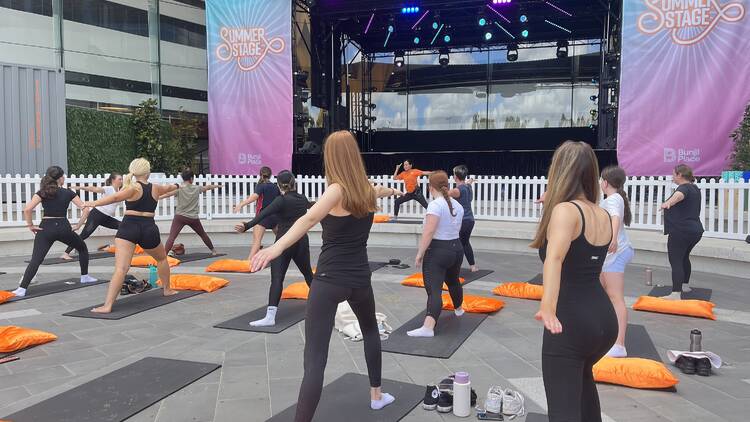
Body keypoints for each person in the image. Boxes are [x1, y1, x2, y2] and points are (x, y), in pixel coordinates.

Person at [251, 131, 403, 421]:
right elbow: (380, 191)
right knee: (370, 331)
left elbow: (307, 220)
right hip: (360, 280)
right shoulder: (366, 190)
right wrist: (393, 192)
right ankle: (376, 396)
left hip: (330, 280)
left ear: (331, 158)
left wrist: (275, 248)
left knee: (315, 360)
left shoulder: (336, 190)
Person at [530, 141, 617, 422]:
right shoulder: (600, 213)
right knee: (583, 388)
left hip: (571, 324)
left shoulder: (567, 211)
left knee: (563, 412)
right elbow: (586, 264)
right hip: (603, 320)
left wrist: (548, 307)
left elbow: (555, 260)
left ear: (560, 171)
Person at [84, 158, 179, 313]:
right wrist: (177, 185)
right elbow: (169, 187)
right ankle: (167, 289)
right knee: (161, 259)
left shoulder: (132, 188)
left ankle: (107, 306)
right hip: (148, 227)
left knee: (121, 268)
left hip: (128, 227)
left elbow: (115, 197)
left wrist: (92, 203)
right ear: (148, 172)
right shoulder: (156, 188)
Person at [235, 171, 315, 327]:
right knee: (308, 275)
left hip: (283, 243)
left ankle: (270, 317)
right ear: (294, 183)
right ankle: (324, 305)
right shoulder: (302, 198)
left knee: (277, 278)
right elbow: (312, 206)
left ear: (278, 185)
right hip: (301, 241)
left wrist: (246, 226)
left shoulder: (281, 200)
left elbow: (263, 215)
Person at [13, 166, 97, 297]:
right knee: (82, 248)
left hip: (46, 227)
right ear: (60, 178)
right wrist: (79, 225)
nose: (64, 178)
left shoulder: (42, 192)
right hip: (64, 227)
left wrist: (30, 225)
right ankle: (84, 276)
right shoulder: (68, 192)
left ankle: (22, 289)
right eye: (63, 176)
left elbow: (27, 209)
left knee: (36, 259)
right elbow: (86, 209)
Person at [408, 171, 465, 338]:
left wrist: (420, 253)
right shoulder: (458, 205)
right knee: (453, 281)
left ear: (430, 187)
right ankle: (459, 310)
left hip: (439, 251)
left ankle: (428, 327)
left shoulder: (435, 205)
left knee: (434, 290)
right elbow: (456, 229)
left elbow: (429, 231)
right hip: (456, 249)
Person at [599, 166, 635, 358]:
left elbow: (615, 219)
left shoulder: (613, 199)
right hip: (613, 253)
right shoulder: (614, 198)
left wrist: (612, 239)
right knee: (602, 293)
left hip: (616, 252)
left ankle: (619, 344)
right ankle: (607, 334)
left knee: (615, 297)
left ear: (605, 182)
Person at [660, 164, 704, 300]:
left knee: (676, 260)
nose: (672, 177)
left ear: (679, 175)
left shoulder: (684, 188)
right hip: (695, 230)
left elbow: (679, 196)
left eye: (673, 174)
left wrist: (669, 203)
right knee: (684, 257)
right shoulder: (695, 188)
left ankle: (675, 293)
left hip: (681, 231)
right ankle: (685, 285)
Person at [61, 173, 124, 260]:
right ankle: (65, 253)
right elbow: (94, 189)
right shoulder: (109, 188)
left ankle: (121, 248)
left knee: (122, 226)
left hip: (106, 217)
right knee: (84, 234)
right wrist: (81, 188)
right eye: (119, 179)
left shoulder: (118, 191)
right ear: (113, 180)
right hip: (97, 215)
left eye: (122, 179)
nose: (121, 181)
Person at [160, 168, 222, 256]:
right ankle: (213, 251)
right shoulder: (196, 188)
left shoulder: (179, 188)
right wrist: (217, 186)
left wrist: (157, 197)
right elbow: (207, 187)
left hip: (180, 217)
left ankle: (164, 256)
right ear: (191, 179)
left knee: (172, 237)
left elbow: (167, 194)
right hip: (193, 218)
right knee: (202, 234)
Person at [233, 166, 280, 261]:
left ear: (260, 174)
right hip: (275, 217)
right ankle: (285, 255)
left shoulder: (261, 185)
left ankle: (249, 262)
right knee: (281, 239)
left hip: (262, 217)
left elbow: (254, 197)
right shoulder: (275, 187)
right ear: (270, 175)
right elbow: (280, 200)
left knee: (256, 241)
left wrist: (241, 204)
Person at [449, 165, 478, 272]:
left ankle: (455, 268)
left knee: (456, 244)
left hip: (462, 221)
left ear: (456, 177)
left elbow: (443, 195)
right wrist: (470, 181)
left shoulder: (456, 190)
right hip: (470, 220)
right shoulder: (467, 187)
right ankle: (473, 266)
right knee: (465, 243)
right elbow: (468, 183)